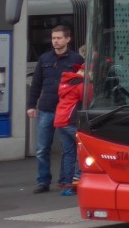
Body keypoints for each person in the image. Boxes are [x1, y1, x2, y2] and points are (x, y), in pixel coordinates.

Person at [26, 25, 84, 193]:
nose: (55, 41)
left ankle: (65, 180)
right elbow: (36, 84)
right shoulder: (44, 59)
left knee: (68, 150)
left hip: (67, 111)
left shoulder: (76, 59)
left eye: (59, 38)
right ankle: (43, 181)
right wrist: (31, 105)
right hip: (47, 108)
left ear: (67, 39)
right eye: (53, 38)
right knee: (42, 148)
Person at [55, 60, 87, 196]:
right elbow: (88, 100)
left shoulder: (65, 82)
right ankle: (77, 177)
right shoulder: (81, 84)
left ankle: (65, 185)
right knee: (87, 151)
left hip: (60, 121)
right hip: (71, 121)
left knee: (68, 154)